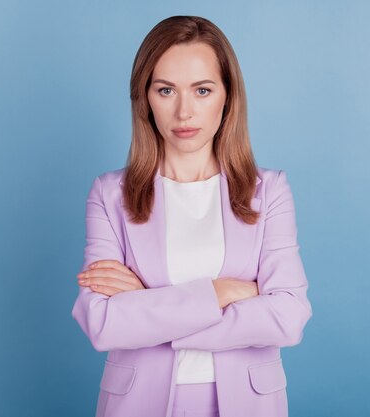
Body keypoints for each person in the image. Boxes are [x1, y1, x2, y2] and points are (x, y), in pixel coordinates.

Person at [71, 15, 312, 417]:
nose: (184, 111)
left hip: (248, 402)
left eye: (202, 90)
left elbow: (287, 317)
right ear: (144, 98)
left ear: (227, 96)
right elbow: (102, 323)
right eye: (166, 90)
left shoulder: (269, 191)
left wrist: (149, 307)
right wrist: (222, 292)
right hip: (137, 403)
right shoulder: (109, 194)